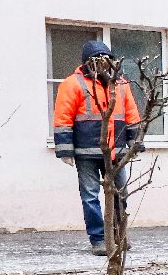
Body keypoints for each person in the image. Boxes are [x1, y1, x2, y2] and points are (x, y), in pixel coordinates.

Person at [53, 40, 143, 256]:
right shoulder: (72, 84)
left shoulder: (121, 84)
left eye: (106, 59)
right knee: (90, 196)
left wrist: (135, 143)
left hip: (117, 151)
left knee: (120, 194)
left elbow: (131, 114)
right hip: (87, 151)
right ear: (86, 63)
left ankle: (118, 235)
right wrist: (66, 150)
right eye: (97, 59)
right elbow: (63, 117)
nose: (103, 64)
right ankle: (99, 239)